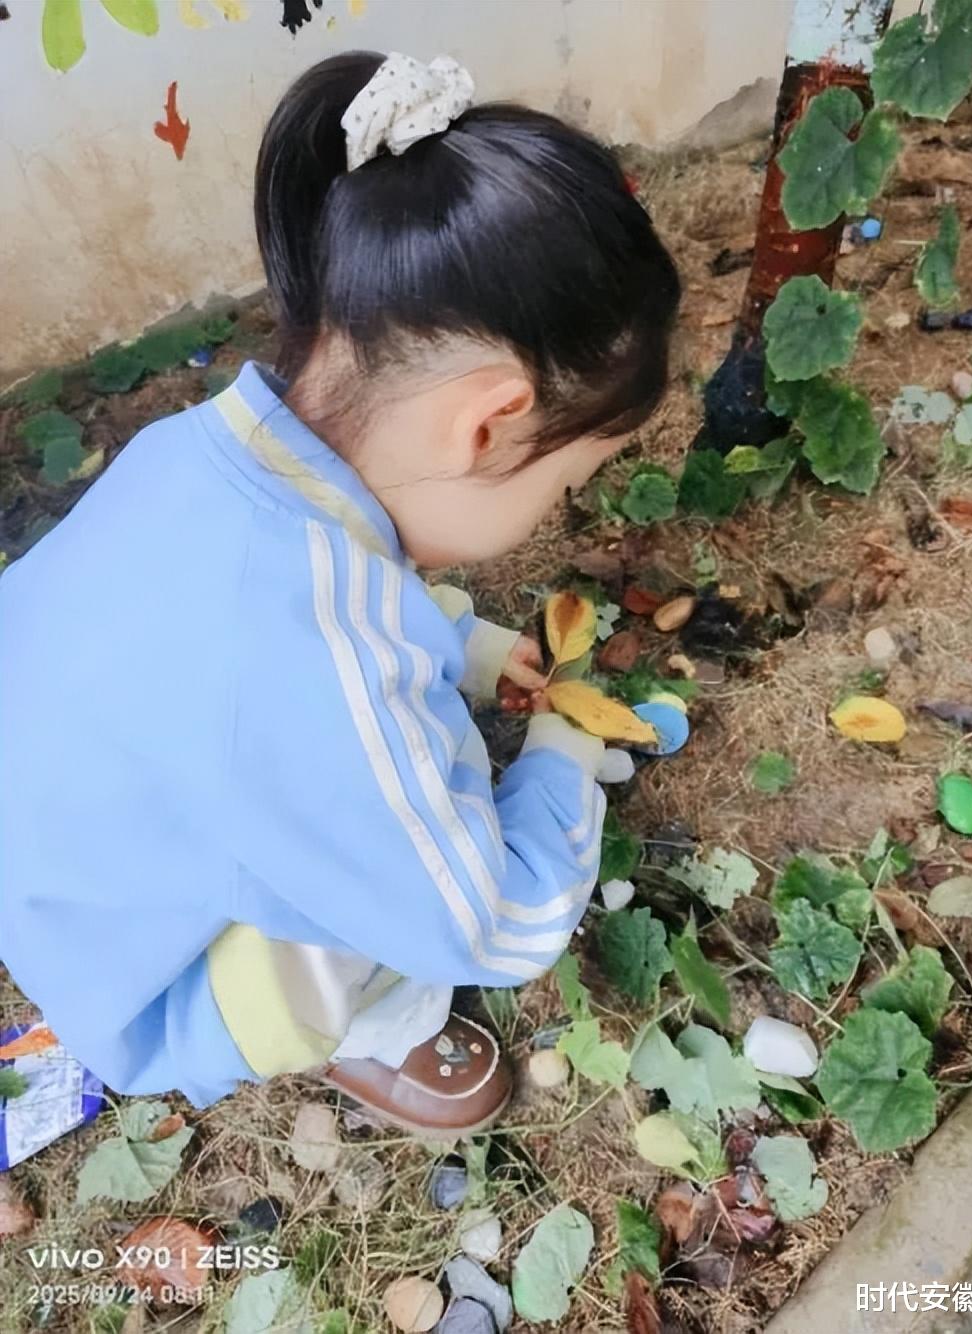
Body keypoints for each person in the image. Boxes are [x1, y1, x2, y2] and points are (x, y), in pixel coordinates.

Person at [0, 50, 680, 1135]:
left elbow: (319, 588)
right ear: (488, 424)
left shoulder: (200, 447)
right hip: (140, 976)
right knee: (382, 909)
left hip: (56, 856)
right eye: (565, 482)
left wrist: (468, 648)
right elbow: (492, 920)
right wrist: (562, 745)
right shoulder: (328, 676)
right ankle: (379, 1032)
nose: (558, 509)